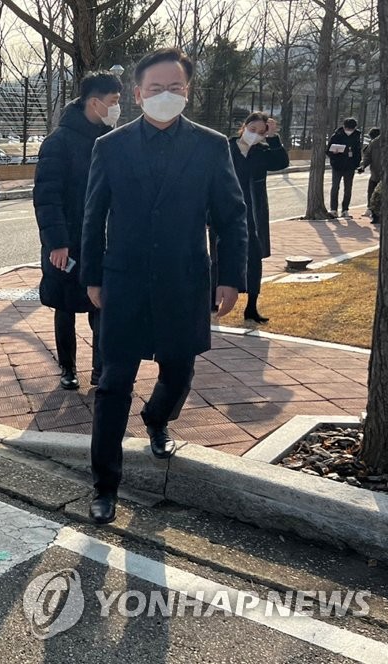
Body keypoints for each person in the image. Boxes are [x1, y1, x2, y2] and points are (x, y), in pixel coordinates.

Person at [80, 48, 248, 525]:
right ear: (137, 94)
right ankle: (105, 485)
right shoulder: (109, 148)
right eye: (154, 89)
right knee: (113, 384)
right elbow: (93, 218)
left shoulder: (212, 146)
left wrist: (230, 278)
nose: (164, 96)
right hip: (124, 283)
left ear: (187, 91)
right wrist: (91, 275)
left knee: (178, 374)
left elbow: (232, 218)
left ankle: (157, 417)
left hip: (184, 281)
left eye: (174, 88)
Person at [34, 71, 122, 391]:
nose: (117, 108)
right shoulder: (58, 142)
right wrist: (57, 242)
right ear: (94, 102)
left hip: (102, 242)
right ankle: (68, 367)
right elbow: (47, 196)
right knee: (66, 307)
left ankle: (100, 369)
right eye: (113, 102)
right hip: (68, 244)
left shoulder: (112, 139)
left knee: (101, 305)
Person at [210, 112, 289, 324]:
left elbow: (282, 162)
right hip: (223, 211)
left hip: (253, 213)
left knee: (255, 258)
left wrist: (273, 137)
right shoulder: (224, 147)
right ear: (244, 126)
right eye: (252, 129)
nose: (254, 135)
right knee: (218, 258)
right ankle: (212, 301)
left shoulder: (262, 152)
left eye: (260, 132)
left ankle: (252, 307)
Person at [327, 117, 362, 217]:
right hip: (337, 165)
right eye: (348, 129)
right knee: (335, 187)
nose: (349, 131)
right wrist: (334, 153)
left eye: (351, 129)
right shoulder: (337, 135)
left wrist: (357, 164)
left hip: (350, 166)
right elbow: (328, 150)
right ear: (344, 127)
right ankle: (333, 209)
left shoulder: (356, 136)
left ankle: (345, 209)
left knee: (348, 188)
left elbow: (357, 152)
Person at [358, 127, 382, 222]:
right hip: (376, 174)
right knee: (372, 195)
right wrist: (363, 166)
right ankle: (375, 215)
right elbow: (367, 156)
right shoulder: (375, 143)